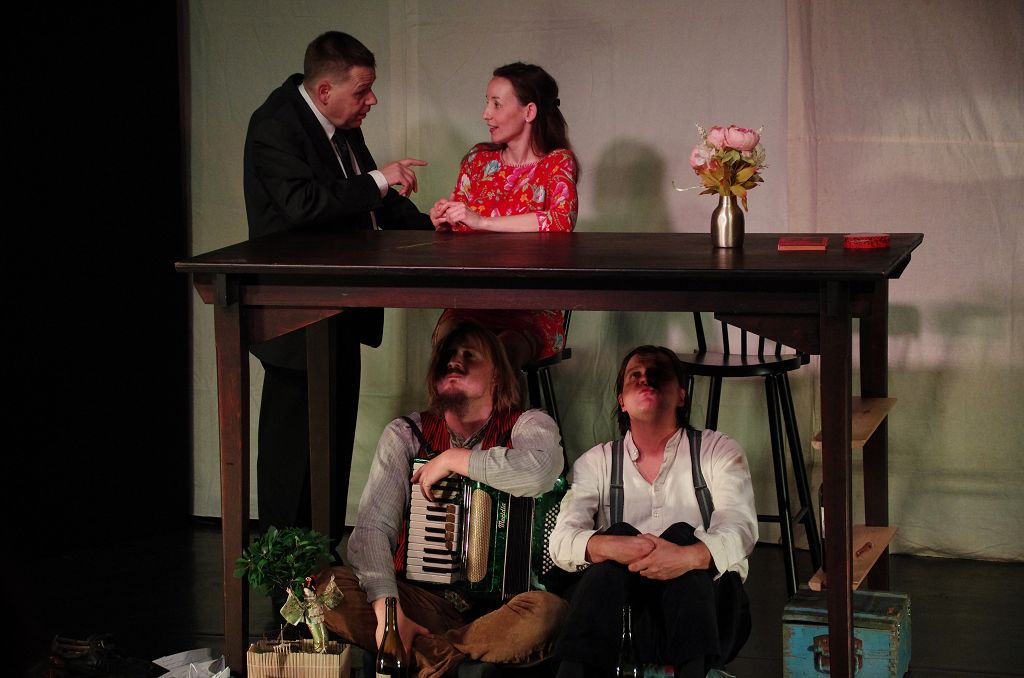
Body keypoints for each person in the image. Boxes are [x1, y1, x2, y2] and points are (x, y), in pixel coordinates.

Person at [243, 31, 432, 545]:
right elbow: (305, 205)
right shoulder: (275, 125)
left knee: (332, 448)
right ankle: (285, 571)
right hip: (296, 315)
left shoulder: (341, 125)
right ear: (325, 90)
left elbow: (370, 197)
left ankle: (323, 559)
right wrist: (380, 180)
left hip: (342, 310)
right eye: (363, 90)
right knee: (291, 458)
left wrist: (433, 231)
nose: (372, 100)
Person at [316, 322, 567, 678]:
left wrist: (453, 459)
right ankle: (453, 654)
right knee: (326, 590)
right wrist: (388, 613)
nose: (454, 361)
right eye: (448, 354)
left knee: (550, 613)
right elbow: (372, 531)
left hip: (501, 611)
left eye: (470, 355)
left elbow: (541, 471)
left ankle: (425, 653)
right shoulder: (406, 434)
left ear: (497, 374)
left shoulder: (528, 425)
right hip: (419, 603)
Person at [549, 346, 757, 678]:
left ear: (681, 395)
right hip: (626, 628)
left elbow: (741, 528)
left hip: (709, 620)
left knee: (682, 535)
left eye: (659, 373)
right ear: (622, 401)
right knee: (614, 540)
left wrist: (687, 556)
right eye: (635, 375)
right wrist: (612, 546)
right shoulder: (596, 462)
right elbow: (560, 542)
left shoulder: (717, 450)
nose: (646, 379)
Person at [429, 62, 579, 371]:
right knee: (449, 347)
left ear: (529, 111)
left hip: (531, 307)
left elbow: (561, 221)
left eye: (496, 104)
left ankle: (502, 406)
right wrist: (445, 221)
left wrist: (482, 222)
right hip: (473, 302)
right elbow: (460, 230)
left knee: (501, 357)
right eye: (487, 103)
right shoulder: (477, 161)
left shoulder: (556, 163)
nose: (486, 114)